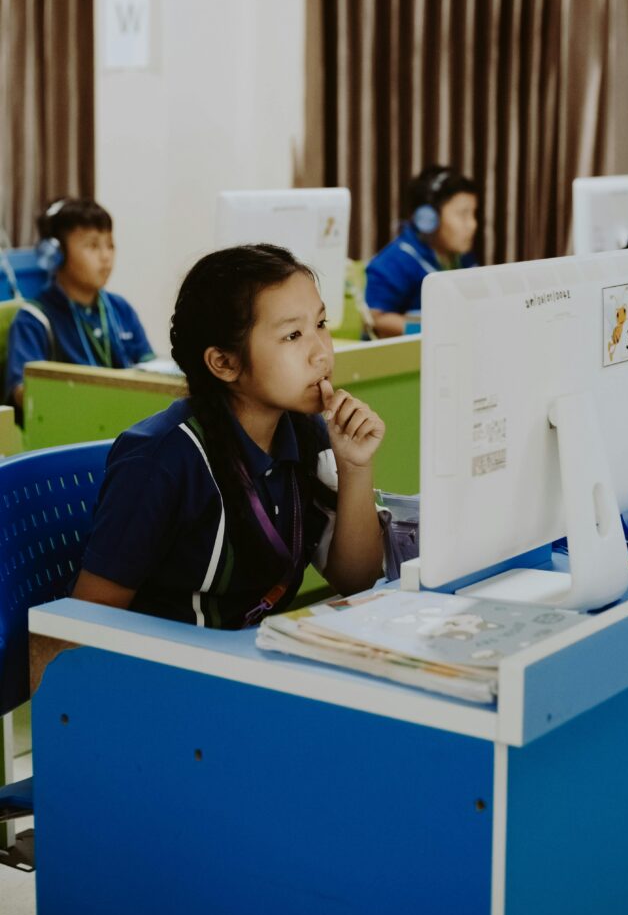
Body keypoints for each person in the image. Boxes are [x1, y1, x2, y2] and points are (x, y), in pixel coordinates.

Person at [71, 244, 386, 628]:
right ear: (224, 362)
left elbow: (357, 580)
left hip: (254, 654)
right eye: (292, 335)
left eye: (320, 324)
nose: (321, 353)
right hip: (171, 661)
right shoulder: (161, 460)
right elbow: (85, 625)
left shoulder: (307, 432)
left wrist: (355, 468)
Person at [4, 198, 154, 411]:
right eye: (93, 246)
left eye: (110, 245)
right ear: (56, 254)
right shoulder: (34, 320)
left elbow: (151, 369)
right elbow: (22, 392)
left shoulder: (120, 309)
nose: (106, 256)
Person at [364, 164, 479, 338]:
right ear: (428, 219)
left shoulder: (463, 257)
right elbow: (376, 320)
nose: (472, 224)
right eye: (463, 214)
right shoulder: (395, 261)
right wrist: (430, 331)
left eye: (473, 214)